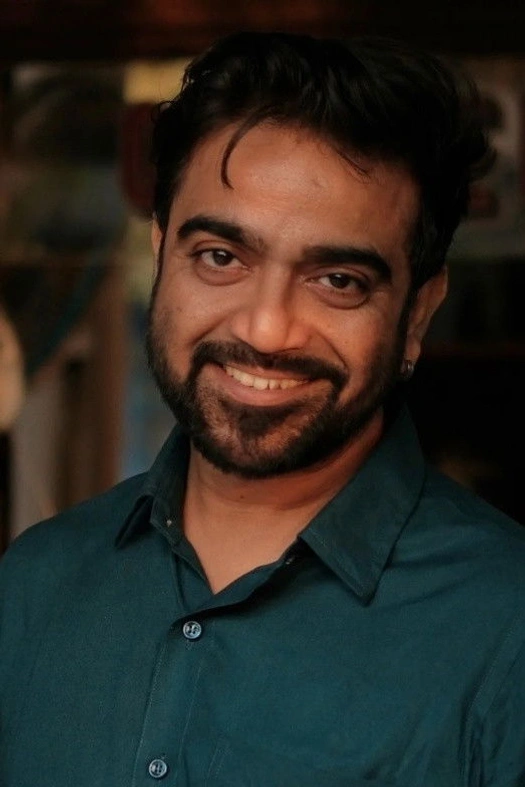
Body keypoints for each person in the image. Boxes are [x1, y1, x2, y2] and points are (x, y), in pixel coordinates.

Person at [1, 31, 524, 787]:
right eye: (221, 257)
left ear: (417, 313)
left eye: (338, 280)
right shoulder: (34, 583)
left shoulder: (505, 624)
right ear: (162, 253)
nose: (266, 329)